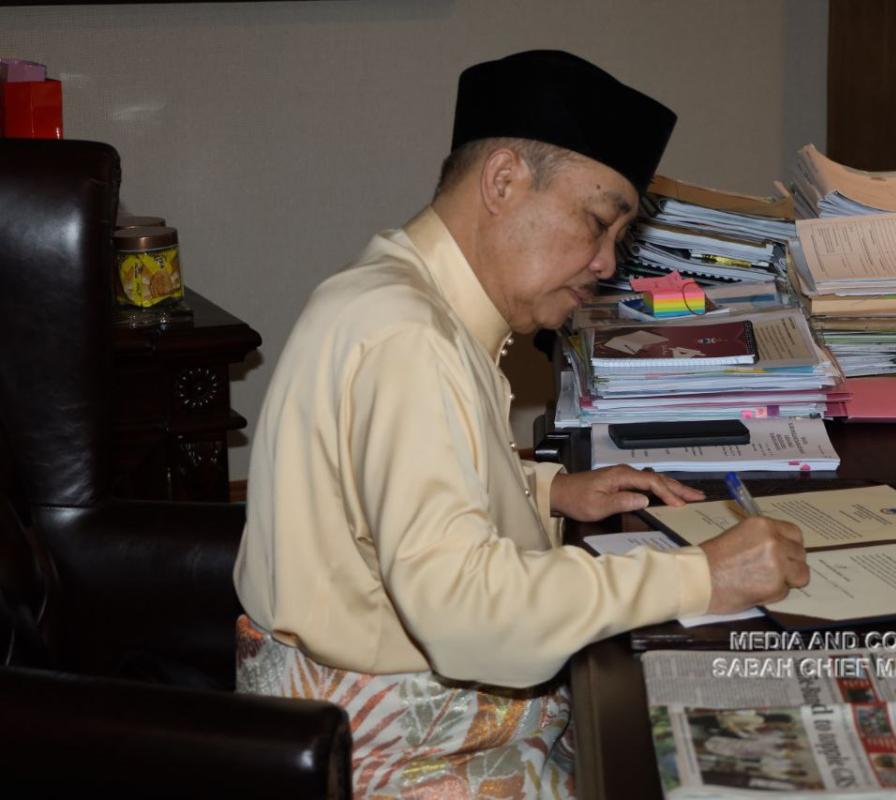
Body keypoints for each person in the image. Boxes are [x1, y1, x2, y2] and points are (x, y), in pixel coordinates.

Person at [233, 49, 809, 799]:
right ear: (503, 181)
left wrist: (546, 491)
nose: (606, 264)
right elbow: (465, 612)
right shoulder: (409, 338)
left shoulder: (394, 297)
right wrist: (701, 577)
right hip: (405, 760)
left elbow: (371, 506)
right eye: (596, 223)